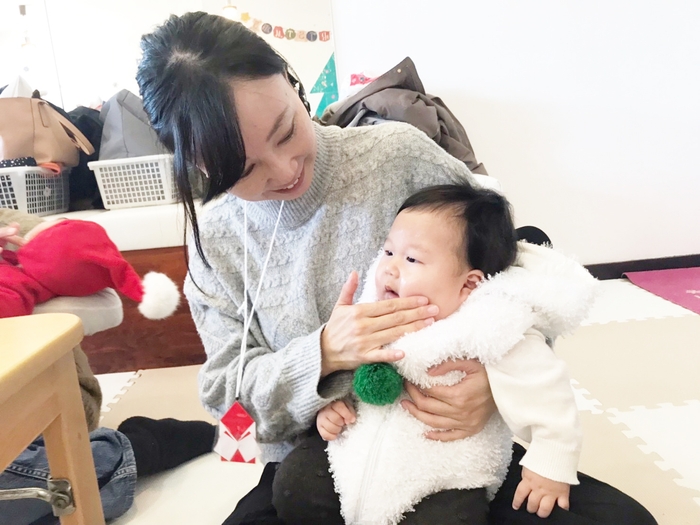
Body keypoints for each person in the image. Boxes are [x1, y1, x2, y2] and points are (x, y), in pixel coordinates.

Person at [136, 11, 657, 525]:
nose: (285, 168)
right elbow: (227, 398)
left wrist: (494, 389)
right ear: (197, 165)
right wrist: (322, 354)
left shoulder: (398, 156)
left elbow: (519, 274)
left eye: (287, 130)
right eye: (246, 168)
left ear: (293, 85)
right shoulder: (217, 240)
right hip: (317, 464)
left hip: (448, 451)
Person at [312, 183, 594, 524]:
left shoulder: (491, 327)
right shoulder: (375, 309)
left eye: (411, 259)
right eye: (388, 252)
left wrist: (550, 464)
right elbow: (353, 373)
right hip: (357, 466)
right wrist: (334, 406)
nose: (390, 268)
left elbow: (547, 392)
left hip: (444, 479)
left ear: (469, 284)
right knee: (295, 485)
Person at [0, 209, 216, 525]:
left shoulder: (15, 234)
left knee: (56, 487)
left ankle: (134, 449)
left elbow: (93, 285)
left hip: (40, 404)